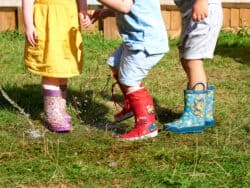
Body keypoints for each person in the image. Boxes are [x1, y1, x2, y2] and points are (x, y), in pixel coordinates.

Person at [91, 0, 169, 140]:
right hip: (137, 40)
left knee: (130, 81)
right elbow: (135, 7)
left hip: (144, 43)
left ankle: (147, 126)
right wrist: (108, 11)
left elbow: (125, 6)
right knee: (115, 63)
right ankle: (132, 106)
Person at [22, 0, 91, 132]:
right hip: (46, 21)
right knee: (51, 66)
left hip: (67, 21)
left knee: (63, 66)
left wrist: (83, 11)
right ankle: (52, 114)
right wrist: (29, 25)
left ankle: (59, 108)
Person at [164, 0, 223, 133]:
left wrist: (201, 2)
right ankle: (204, 113)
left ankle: (195, 116)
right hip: (191, 12)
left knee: (193, 60)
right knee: (187, 59)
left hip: (203, 10)